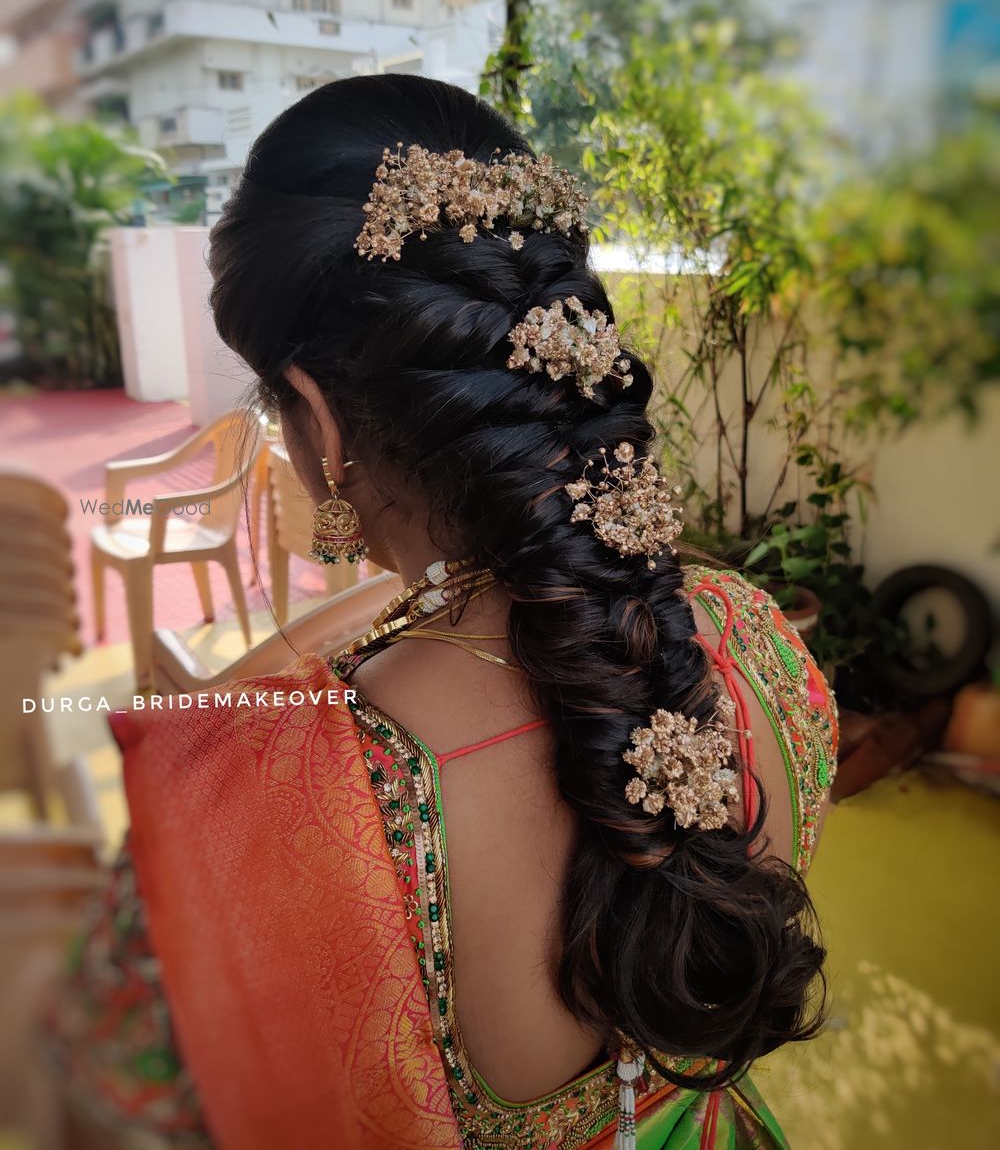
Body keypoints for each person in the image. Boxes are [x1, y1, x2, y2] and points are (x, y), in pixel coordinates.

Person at [47, 75, 837, 1149]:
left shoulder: (284, 802)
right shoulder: (753, 637)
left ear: (318, 422)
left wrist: (225, 748)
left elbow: (112, 1105)